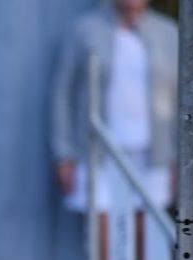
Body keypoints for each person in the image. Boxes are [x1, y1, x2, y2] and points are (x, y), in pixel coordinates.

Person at [50, 0, 178, 211]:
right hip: (97, 153)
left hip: (152, 156)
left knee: (145, 235)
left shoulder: (167, 32)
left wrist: (176, 160)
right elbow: (62, 92)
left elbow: (176, 100)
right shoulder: (85, 30)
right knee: (105, 234)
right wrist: (63, 153)